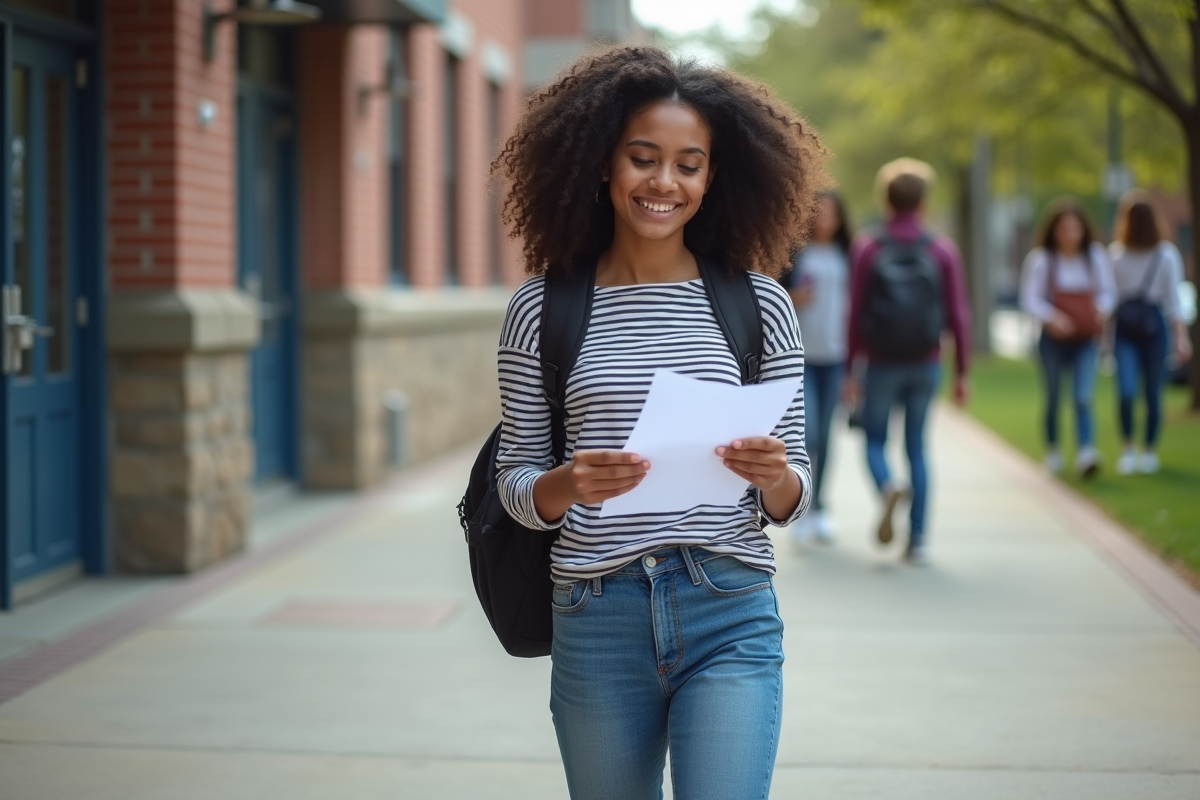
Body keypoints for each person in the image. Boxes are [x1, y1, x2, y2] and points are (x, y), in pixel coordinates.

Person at [491, 45, 824, 800]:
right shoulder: (542, 310)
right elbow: (515, 478)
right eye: (643, 158)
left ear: (714, 176)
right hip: (596, 614)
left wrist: (774, 476)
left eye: (688, 164)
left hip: (728, 607)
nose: (664, 182)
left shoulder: (759, 305)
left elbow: (797, 485)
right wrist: (566, 484)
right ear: (603, 165)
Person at [842, 158, 971, 566]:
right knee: (917, 446)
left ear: (886, 198)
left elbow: (855, 311)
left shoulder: (868, 246)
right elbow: (959, 314)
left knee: (875, 440)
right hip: (925, 361)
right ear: (923, 201)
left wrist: (850, 370)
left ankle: (886, 487)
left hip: (881, 361)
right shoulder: (940, 248)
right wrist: (963, 371)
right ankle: (917, 541)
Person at [1019, 199, 1116, 477]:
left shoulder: (1094, 256)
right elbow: (1029, 298)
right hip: (1053, 340)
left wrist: (1101, 310)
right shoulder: (1042, 259)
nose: (1070, 235)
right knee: (1052, 397)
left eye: (1075, 229)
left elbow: (1108, 292)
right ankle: (1053, 450)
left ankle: (1087, 450)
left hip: (1085, 338)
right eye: (1064, 229)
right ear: (1054, 231)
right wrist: (1053, 318)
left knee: (1083, 395)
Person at [782, 191, 852, 544]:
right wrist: (795, 299)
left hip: (836, 360)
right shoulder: (795, 255)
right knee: (807, 435)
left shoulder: (847, 257)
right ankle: (802, 510)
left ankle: (821, 507)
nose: (825, 220)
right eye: (819, 213)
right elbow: (774, 300)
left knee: (826, 437)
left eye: (831, 214)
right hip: (802, 361)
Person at [1109, 190, 1193, 475]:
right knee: (1127, 390)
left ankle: (1149, 450)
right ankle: (1129, 447)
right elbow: (1110, 299)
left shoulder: (1166, 255)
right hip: (1126, 328)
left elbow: (1174, 301)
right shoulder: (1117, 255)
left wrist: (1180, 336)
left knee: (1153, 392)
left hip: (1155, 327)